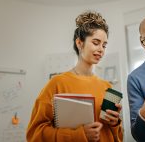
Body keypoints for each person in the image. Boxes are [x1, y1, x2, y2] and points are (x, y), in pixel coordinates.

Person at [27, 11, 123, 142]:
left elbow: (118, 138)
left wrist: (115, 124)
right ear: (79, 43)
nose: (101, 49)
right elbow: (34, 135)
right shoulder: (57, 83)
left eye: (104, 45)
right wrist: (78, 135)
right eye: (96, 43)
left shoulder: (107, 87)